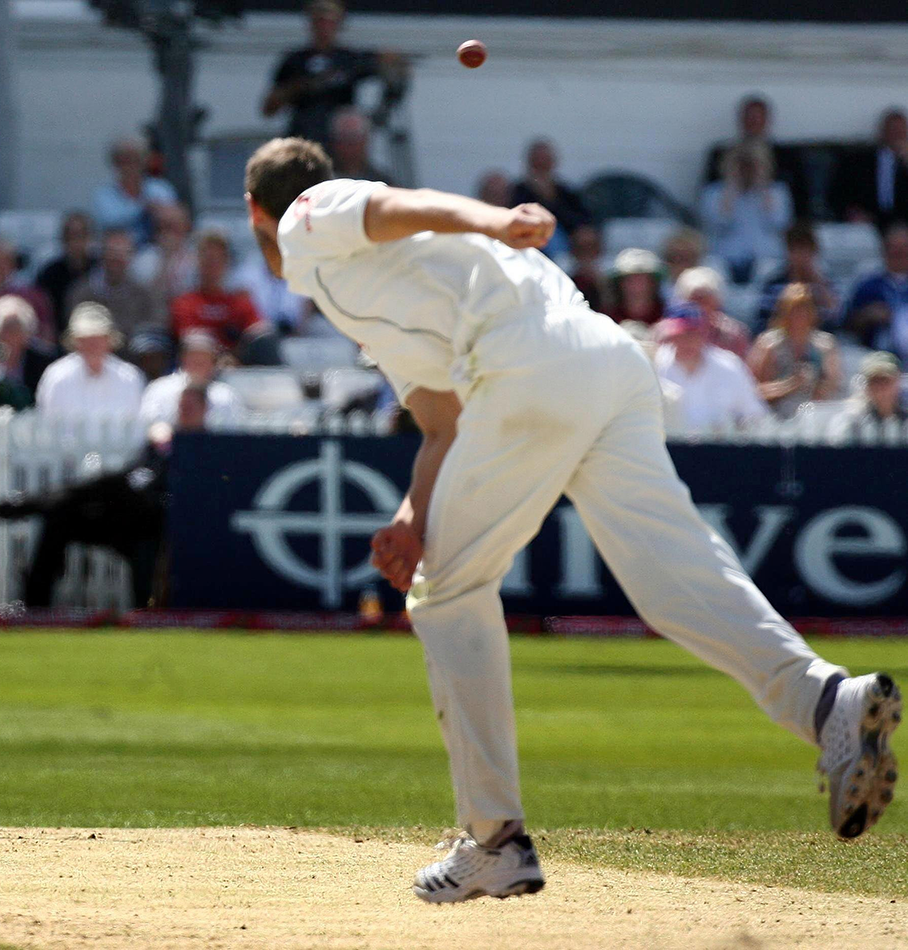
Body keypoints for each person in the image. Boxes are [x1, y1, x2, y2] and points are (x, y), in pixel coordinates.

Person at [243, 137, 896, 903]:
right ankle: (826, 702)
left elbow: (391, 204)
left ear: (259, 210)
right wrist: (413, 516)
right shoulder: (375, 281)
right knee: (673, 574)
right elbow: (440, 419)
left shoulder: (306, 218)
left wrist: (495, 218)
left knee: (447, 595)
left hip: (526, 365)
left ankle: (493, 839)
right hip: (604, 363)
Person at [0, 385, 207, 609]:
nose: (185, 411)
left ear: (204, 409)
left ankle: (33, 503)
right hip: (125, 514)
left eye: (191, 406)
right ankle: (35, 605)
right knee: (62, 515)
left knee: (105, 485)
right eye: (183, 406)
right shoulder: (163, 442)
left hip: (158, 522)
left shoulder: (206, 447)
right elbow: (136, 472)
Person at [260, 0, 403, 148]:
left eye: (330, 22)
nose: (324, 27)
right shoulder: (294, 60)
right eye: (319, 21)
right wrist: (299, 88)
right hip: (303, 137)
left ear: (339, 24)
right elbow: (268, 109)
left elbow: (392, 67)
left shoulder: (350, 58)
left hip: (340, 142)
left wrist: (379, 113)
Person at [653, 306, 768, 431]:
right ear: (670, 336)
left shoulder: (729, 365)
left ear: (705, 334)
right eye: (680, 335)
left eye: (693, 334)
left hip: (721, 448)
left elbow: (755, 414)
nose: (687, 341)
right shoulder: (655, 365)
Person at [699, 140, 792, 284]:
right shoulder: (714, 192)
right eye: (742, 165)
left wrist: (763, 185)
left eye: (752, 165)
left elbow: (779, 223)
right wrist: (730, 186)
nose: (747, 170)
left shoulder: (777, 192)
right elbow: (718, 223)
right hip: (726, 258)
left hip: (766, 258)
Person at [747, 283, 842, 419]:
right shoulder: (769, 345)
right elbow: (754, 392)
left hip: (815, 418)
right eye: (794, 311)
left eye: (804, 311)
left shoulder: (825, 345)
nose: (799, 317)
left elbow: (833, 386)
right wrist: (790, 385)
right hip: (775, 419)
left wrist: (816, 387)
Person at [36, 303, 144, 416]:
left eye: (98, 338)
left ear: (109, 340)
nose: (92, 345)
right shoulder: (57, 376)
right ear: (75, 342)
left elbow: (136, 424)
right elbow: (47, 421)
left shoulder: (129, 377)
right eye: (85, 339)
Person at [169, 231, 265, 351]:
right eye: (208, 260)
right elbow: (188, 337)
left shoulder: (239, 301)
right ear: (198, 262)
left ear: (227, 262)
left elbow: (259, 330)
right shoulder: (185, 303)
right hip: (199, 362)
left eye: (218, 259)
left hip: (238, 363)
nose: (213, 265)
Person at [139, 329, 246, 427]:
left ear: (213, 362)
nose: (197, 362)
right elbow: (148, 424)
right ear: (182, 359)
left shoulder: (226, 395)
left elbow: (234, 430)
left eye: (204, 358)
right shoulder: (160, 388)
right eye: (192, 357)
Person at [67, 228, 162, 337]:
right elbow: (76, 330)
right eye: (111, 252)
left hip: (131, 352)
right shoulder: (81, 292)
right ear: (102, 254)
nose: (116, 258)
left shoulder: (146, 294)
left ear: (131, 256)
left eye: (122, 253)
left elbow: (153, 331)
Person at [91, 135, 177, 247]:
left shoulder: (161, 188)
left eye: (135, 159)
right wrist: (143, 207)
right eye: (124, 160)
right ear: (115, 163)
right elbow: (110, 221)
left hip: (158, 252)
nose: (130, 165)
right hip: (121, 255)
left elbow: (174, 217)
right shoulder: (103, 195)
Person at [510, 138, 589, 257]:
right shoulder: (517, 192)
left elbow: (580, 219)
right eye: (538, 161)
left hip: (568, 247)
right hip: (531, 244)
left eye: (545, 160)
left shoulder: (566, 192)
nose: (542, 164)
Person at [755, 222, 839, 334]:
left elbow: (836, 317)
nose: (802, 255)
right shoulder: (774, 283)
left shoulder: (826, 282)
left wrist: (819, 283)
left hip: (817, 343)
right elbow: (764, 323)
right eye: (796, 249)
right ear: (788, 251)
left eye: (807, 249)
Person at [841, 223, 908, 356]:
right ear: (884, 251)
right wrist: (867, 315)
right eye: (893, 248)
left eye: (903, 248)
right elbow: (846, 326)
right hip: (875, 356)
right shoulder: (868, 286)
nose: (898, 253)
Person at [836, 108, 908, 229]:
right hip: (868, 222)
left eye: (900, 130)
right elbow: (839, 194)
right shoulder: (858, 160)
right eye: (892, 130)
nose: (897, 134)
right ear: (882, 131)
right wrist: (853, 213)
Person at [37, 211, 99, 334]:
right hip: (60, 337)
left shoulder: (100, 269)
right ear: (63, 239)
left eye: (80, 235)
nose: (75, 241)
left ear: (89, 237)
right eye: (70, 236)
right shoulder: (49, 273)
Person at [131, 202, 197, 314]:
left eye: (173, 226)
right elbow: (148, 300)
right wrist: (166, 259)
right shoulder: (144, 258)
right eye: (163, 226)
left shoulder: (199, 255)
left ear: (187, 226)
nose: (168, 232)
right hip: (156, 317)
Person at [672, 266, 749, 358]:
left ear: (717, 302)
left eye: (704, 301)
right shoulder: (666, 334)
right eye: (693, 301)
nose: (698, 307)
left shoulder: (733, 336)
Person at [829, 351, 906, 442]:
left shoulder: (905, 423)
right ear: (866, 385)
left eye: (885, 380)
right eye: (874, 381)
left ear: (897, 382)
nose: (880, 388)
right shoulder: (851, 422)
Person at [0, 293, 55, 394]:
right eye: (6, 329)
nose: (10, 336)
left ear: (27, 333)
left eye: (16, 329)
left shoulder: (44, 361)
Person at [605, 248, 665, 325]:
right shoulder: (607, 319)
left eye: (642, 279)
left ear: (653, 283)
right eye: (630, 280)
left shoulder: (668, 316)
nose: (636, 286)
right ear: (619, 284)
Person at [328, 109, 390, 183]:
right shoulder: (321, 178)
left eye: (354, 138)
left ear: (365, 140)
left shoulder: (381, 182)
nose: (348, 146)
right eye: (343, 138)